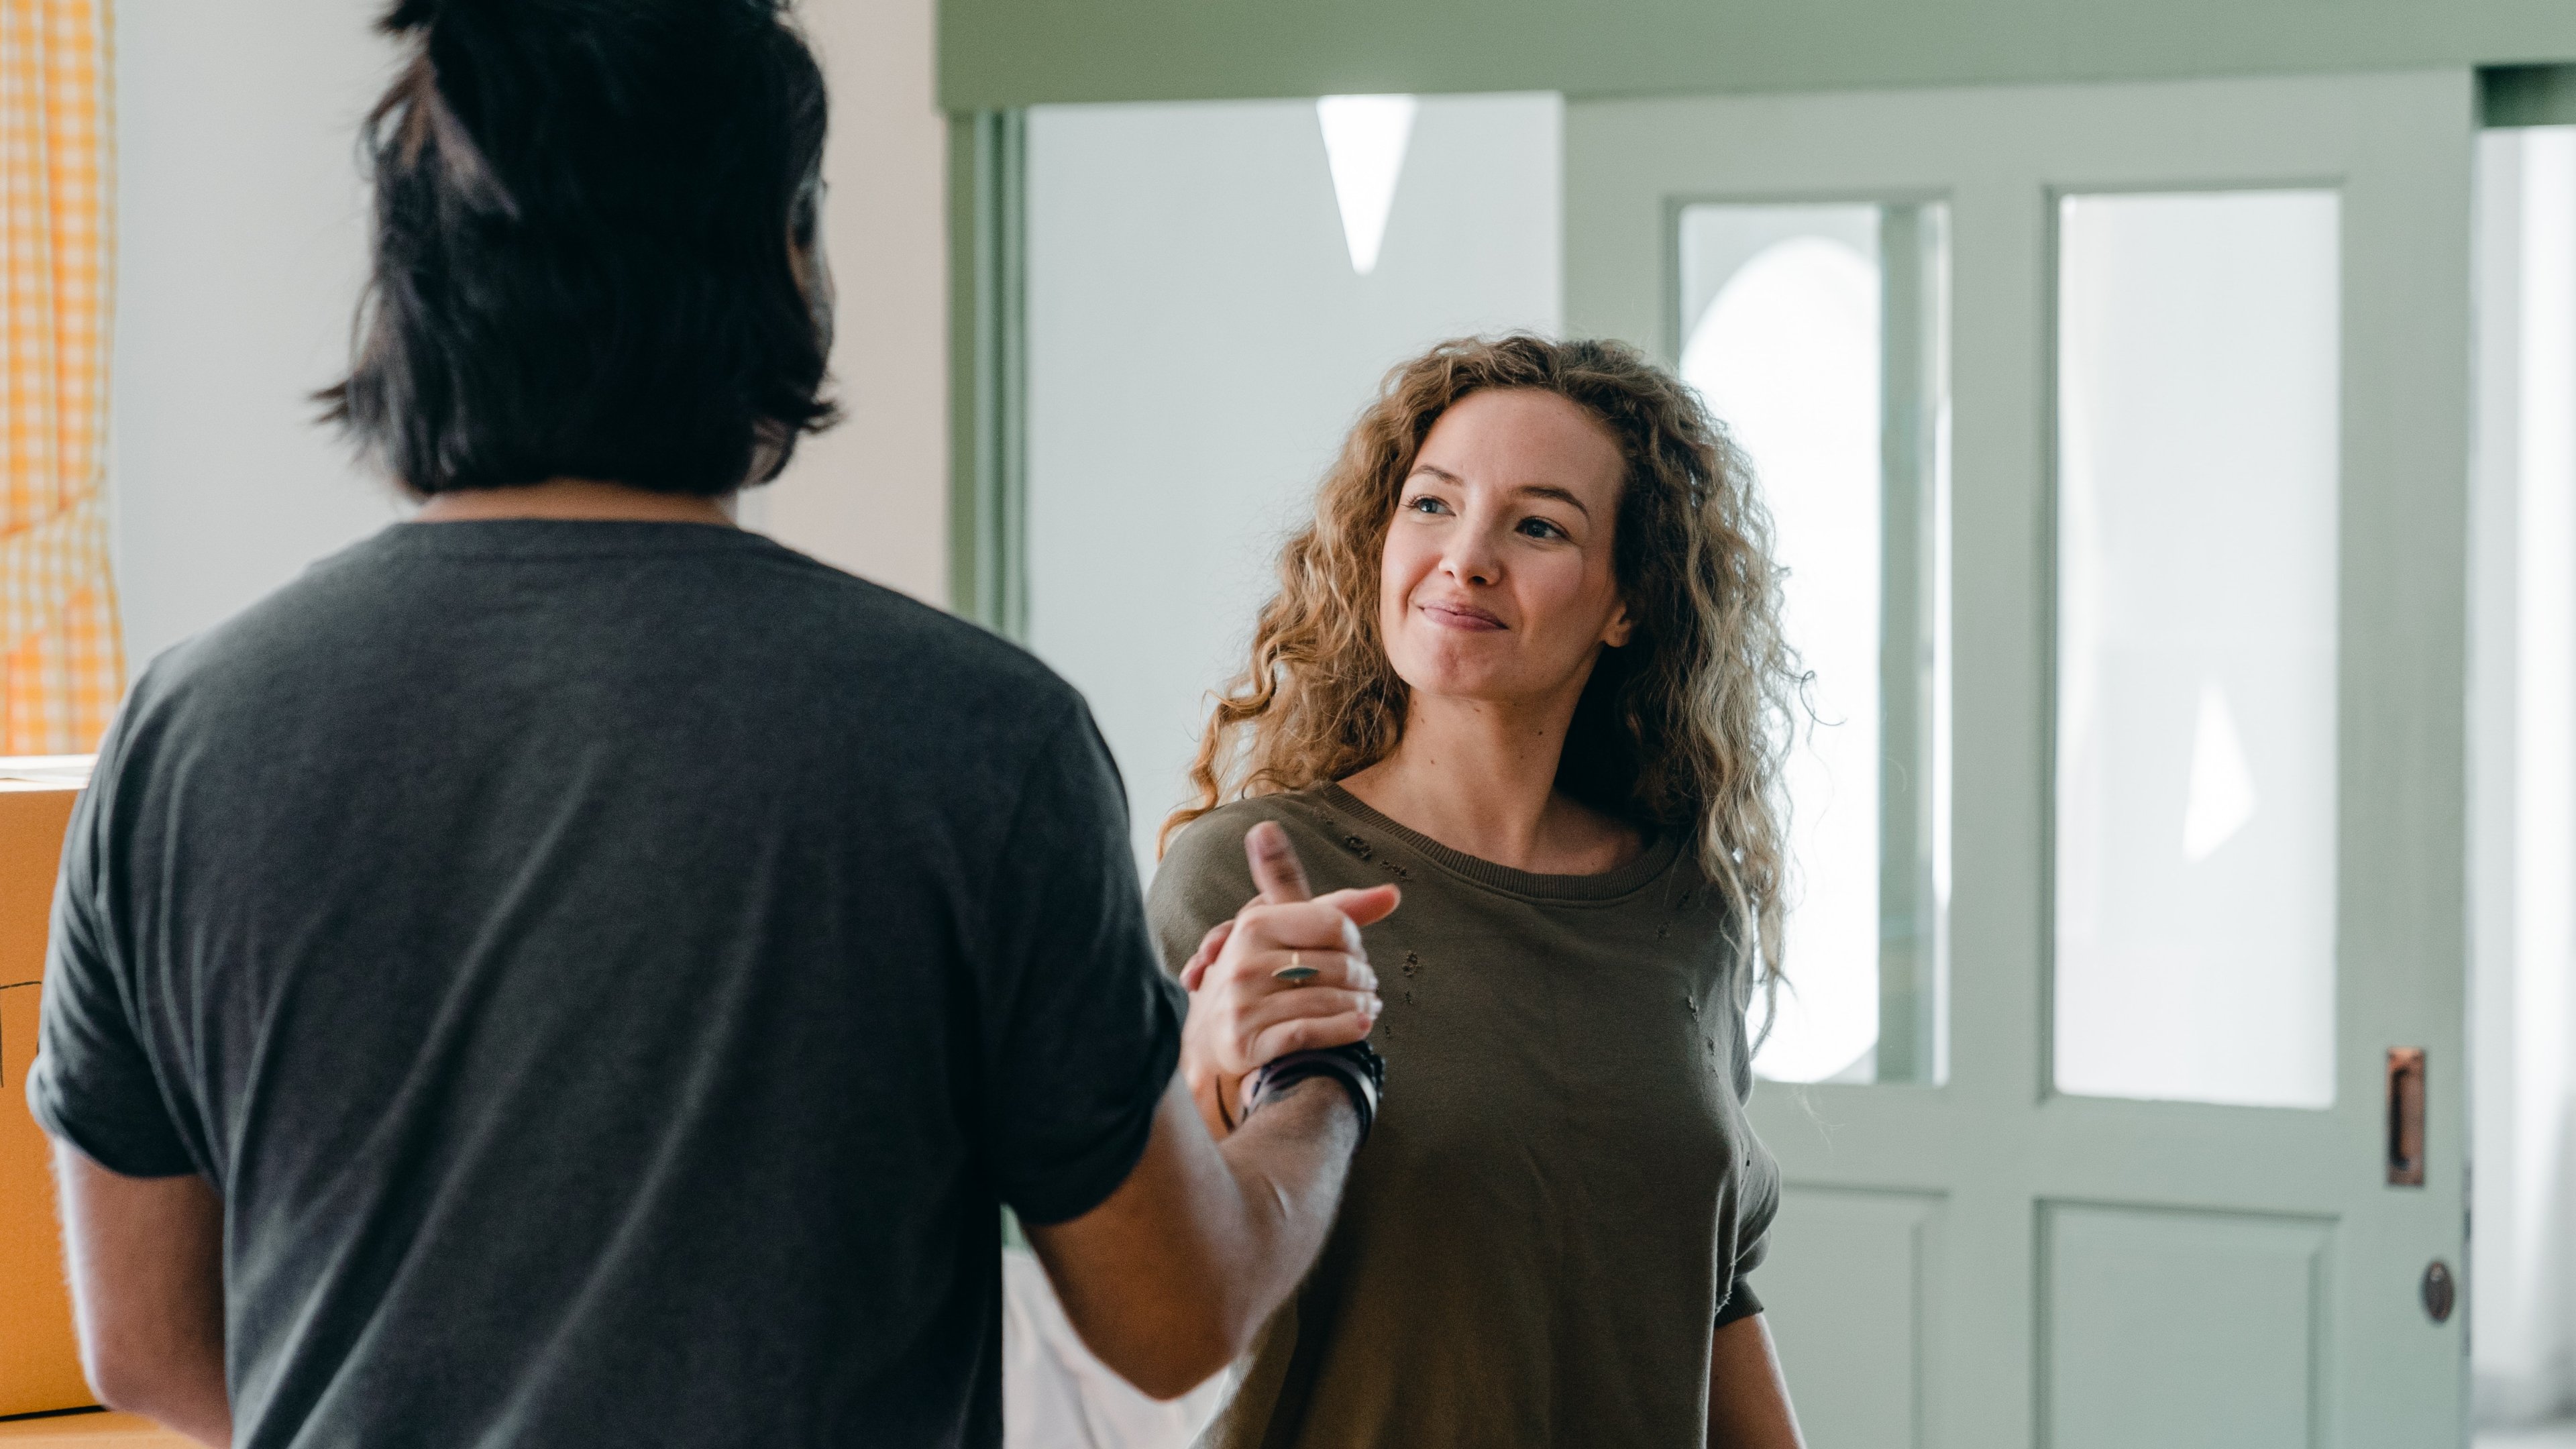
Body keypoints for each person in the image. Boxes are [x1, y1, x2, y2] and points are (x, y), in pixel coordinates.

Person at [27, 4, 1387, 1446]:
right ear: (781, 265)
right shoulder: (977, 739)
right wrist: (1321, 1081)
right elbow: (1172, 1318)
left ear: (413, 284)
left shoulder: (181, 736)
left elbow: (149, 1345)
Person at [1152, 333, 1809, 1447]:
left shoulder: (1684, 909)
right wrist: (1211, 1066)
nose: (1466, 558)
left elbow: (1713, 1294)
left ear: (1628, 603)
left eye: (1538, 525)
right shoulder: (1246, 874)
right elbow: (1151, 1249)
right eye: (1431, 506)